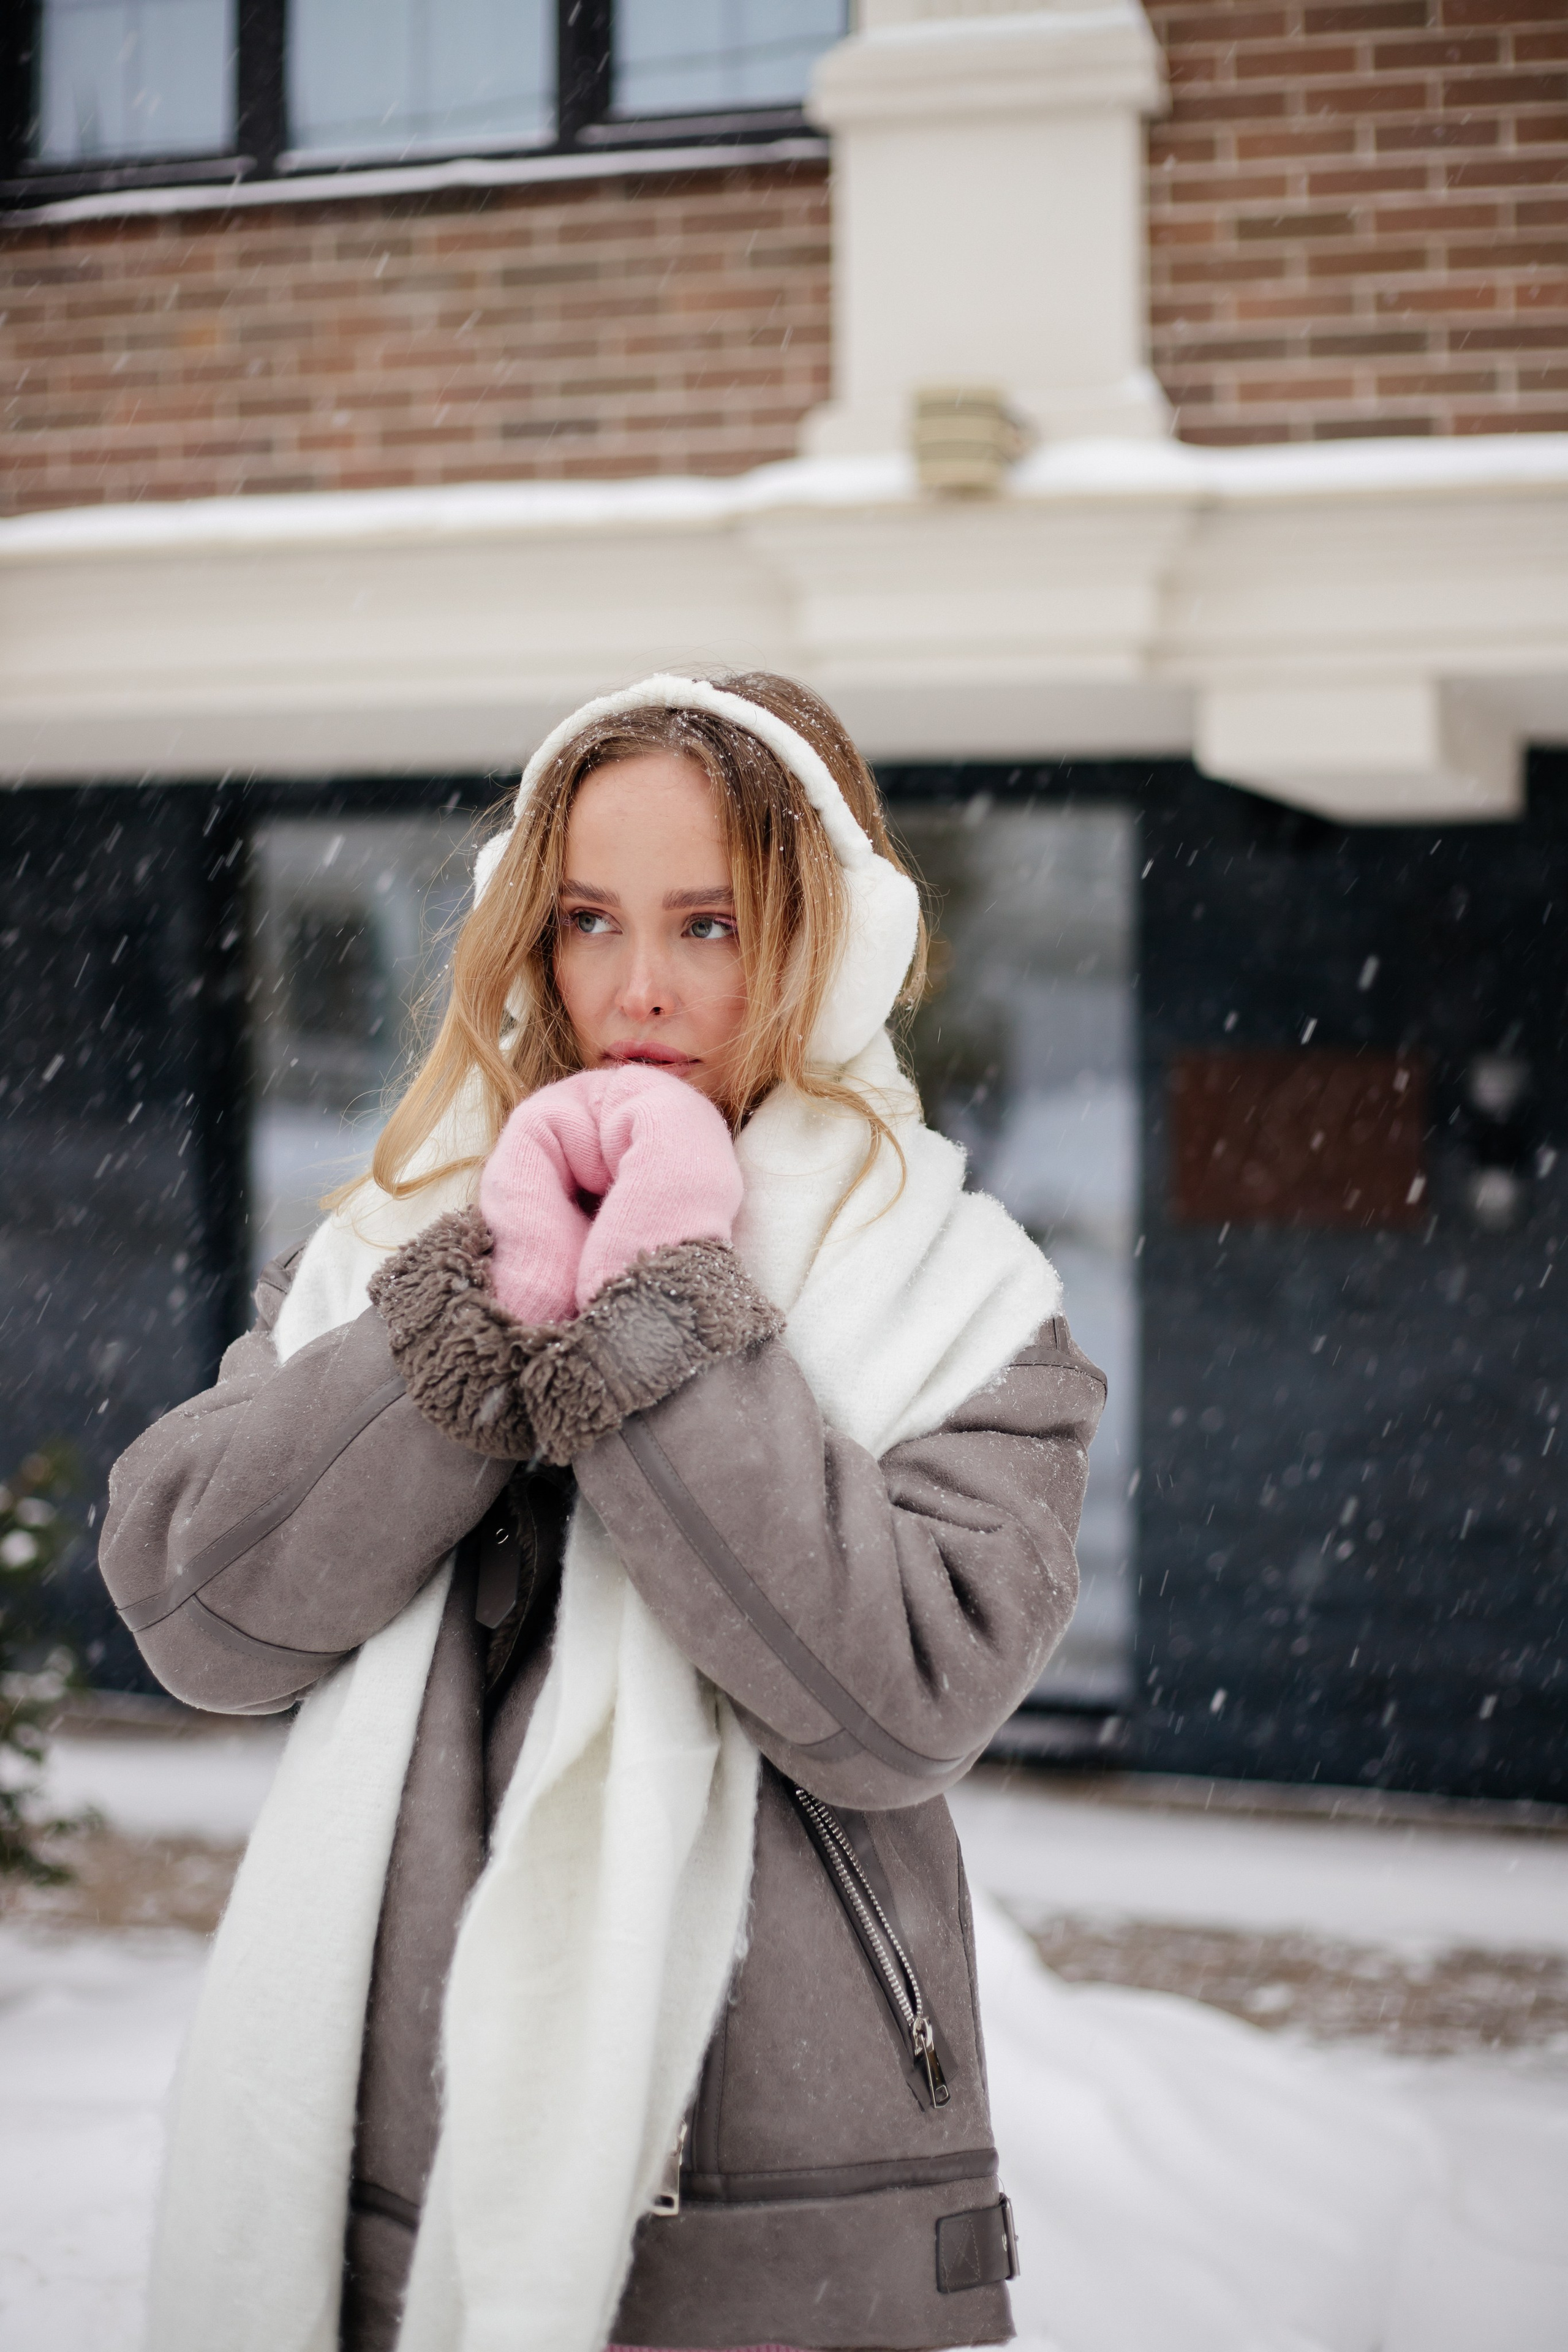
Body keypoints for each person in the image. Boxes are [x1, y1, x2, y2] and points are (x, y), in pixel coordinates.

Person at [100, 671, 1106, 2352]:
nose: (638, 989)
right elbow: (199, 1617)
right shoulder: (393, 1248)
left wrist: (659, 1315)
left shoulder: (963, 1302)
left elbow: (897, 1708)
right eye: (588, 921)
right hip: (387, 2145)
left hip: (782, 2196)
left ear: (826, 942)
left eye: (711, 925)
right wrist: (480, 1307)